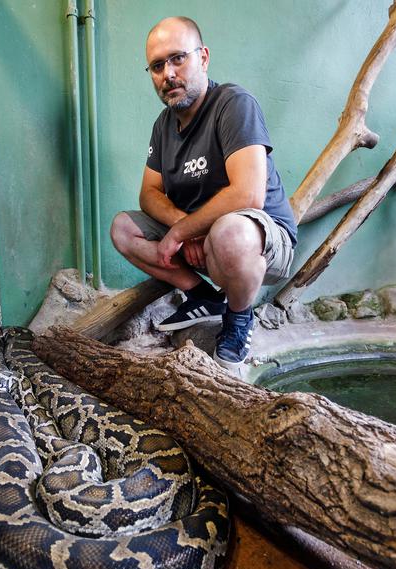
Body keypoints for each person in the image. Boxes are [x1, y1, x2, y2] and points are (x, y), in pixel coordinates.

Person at [110, 16, 297, 368]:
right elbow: (149, 194)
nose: (168, 74)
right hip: (203, 241)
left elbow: (248, 196)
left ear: (203, 58)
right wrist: (187, 226)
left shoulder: (234, 103)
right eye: (157, 66)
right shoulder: (163, 126)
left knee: (232, 232)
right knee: (123, 228)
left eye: (178, 58)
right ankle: (203, 296)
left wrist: (183, 231)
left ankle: (240, 319)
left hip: (261, 242)